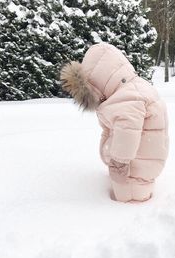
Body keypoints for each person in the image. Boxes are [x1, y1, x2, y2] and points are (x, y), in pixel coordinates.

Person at [60, 42, 169, 203]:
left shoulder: (128, 97)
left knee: (130, 203)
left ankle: (130, 221)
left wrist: (119, 165)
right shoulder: (132, 89)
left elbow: (127, 132)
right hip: (144, 160)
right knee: (136, 191)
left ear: (99, 78)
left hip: (134, 168)